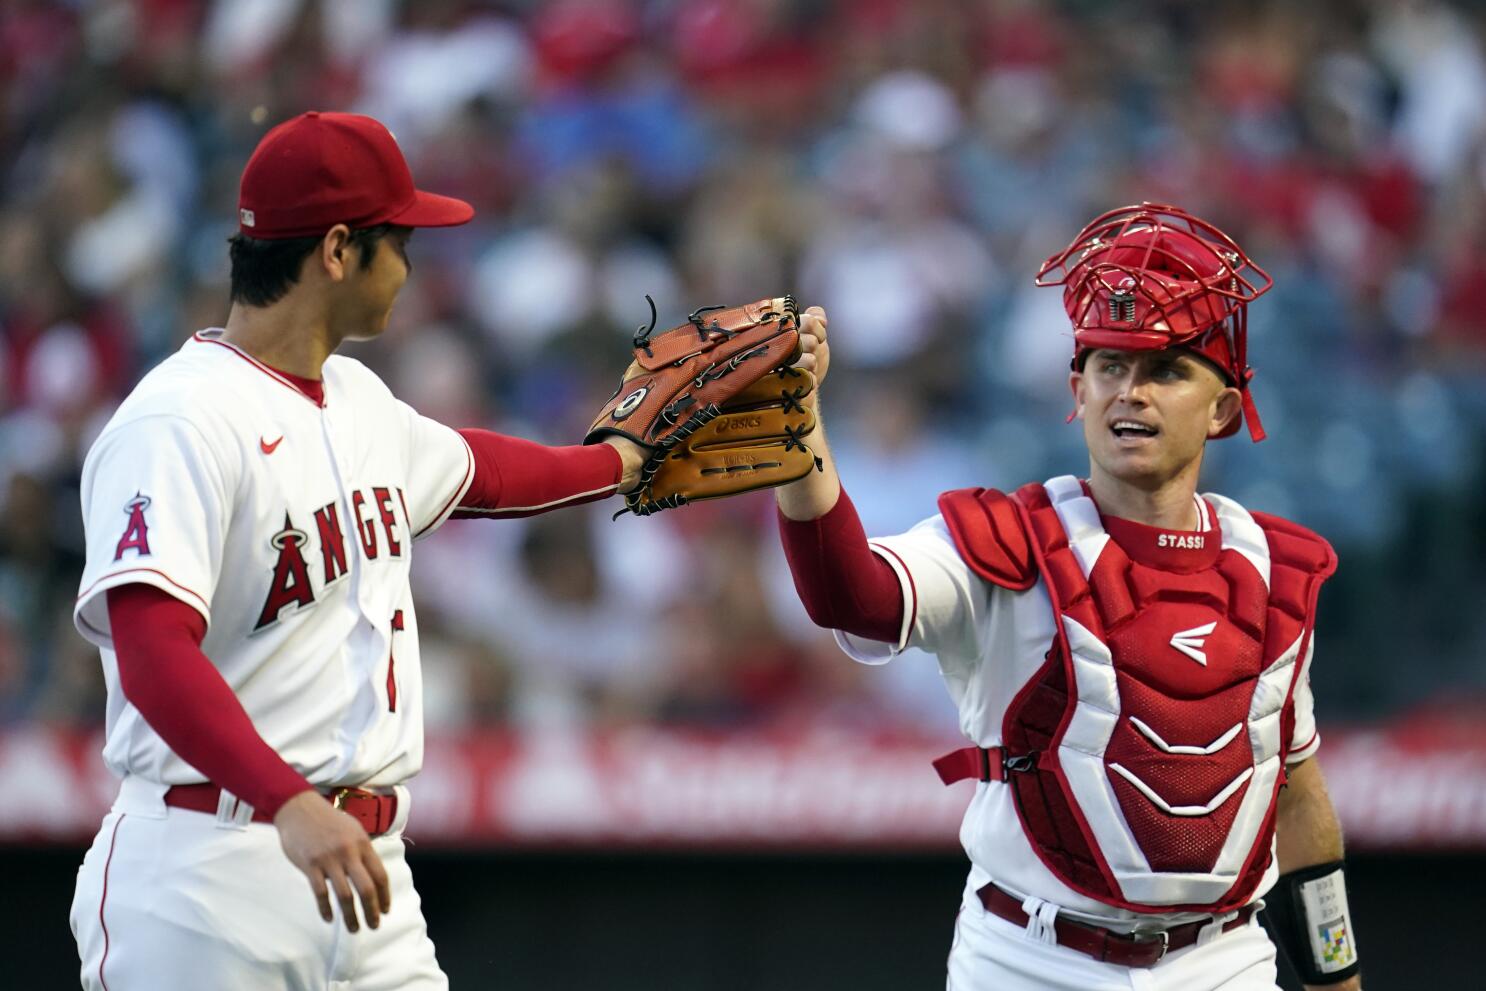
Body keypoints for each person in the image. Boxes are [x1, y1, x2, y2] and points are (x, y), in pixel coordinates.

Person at [67, 111, 649, 990]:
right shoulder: (179, 418)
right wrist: (287, 799)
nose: (410, 267)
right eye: (400, 241)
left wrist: (628, 460)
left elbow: (483, 471)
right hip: (206, 870)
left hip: (368, 874)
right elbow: (150, 650)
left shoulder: (356, 396)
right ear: (338, 250)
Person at [776, 204, 1363, 991]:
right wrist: (793, 435)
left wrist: (1336, 978)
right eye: (1111, 366)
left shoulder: (1273, 570)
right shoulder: (1003, 539)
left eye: (1166, 370)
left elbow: (1295, 792)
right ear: (1077, 390)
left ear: (1222, 407)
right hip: (1028, 958)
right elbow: (853, 596)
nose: (1133, 393)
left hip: (1223, 962)